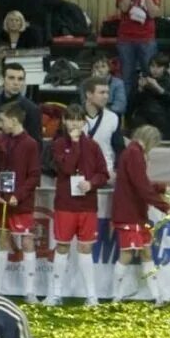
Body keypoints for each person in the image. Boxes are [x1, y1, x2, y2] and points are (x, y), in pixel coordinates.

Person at [45, 105, 110, 306]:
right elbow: (66, 168)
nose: (74, 123)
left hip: (87, 204)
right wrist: (73, 144)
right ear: (64, 122)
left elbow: (103, 173)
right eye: (70, 119)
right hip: (65, 204)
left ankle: (91, 296)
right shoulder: (57, 145)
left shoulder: (93, 146)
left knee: (85, 248)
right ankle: (55, 294)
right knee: (62, 246)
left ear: (84, 122)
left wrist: (91, 183)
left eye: (78, 119)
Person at [0, 100, 43, 299]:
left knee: (27, 242)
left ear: (13, 120)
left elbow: (34, 175)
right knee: (2, 243)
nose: (0, 124)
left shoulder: (30, 144)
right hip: (2, 201)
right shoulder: (1, 140)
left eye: (2, 120)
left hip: (22, 203)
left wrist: (17, 196)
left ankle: (30, 291)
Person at [111, 124, 170, 304]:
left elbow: (140, 183)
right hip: (129, 212)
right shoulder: (134, 154)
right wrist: (164, 206)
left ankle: (156, 296)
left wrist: (160, 187)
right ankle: (116, 295)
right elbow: (141, 186)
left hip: (136, 212)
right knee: (127, 253)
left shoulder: (131, 153)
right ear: (151, 140)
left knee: (146, 252)